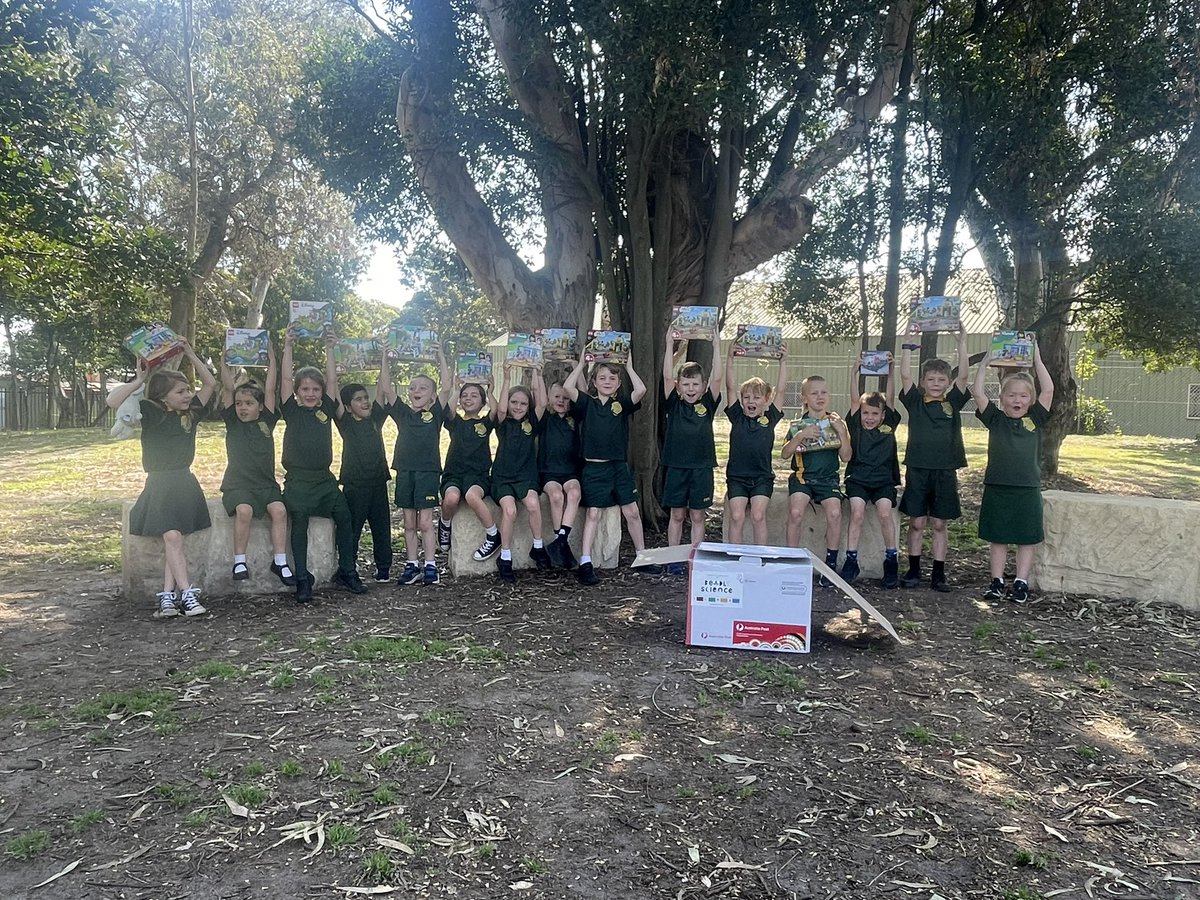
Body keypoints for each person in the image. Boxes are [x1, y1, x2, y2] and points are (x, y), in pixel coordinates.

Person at [107, 341, 217, 618]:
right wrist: (141, 379)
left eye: (187, 390)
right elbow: (113, 400)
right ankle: (188, 595)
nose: (187, 394)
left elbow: (211, 383)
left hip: (184, 483)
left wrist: (190, 353)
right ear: (163, 397)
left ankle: (168, 598)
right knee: (172, 536)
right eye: (180, 392)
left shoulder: (191, 414)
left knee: (174, 540)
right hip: (159, 483)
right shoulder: (152, 413)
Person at [280, 330, 365, 603]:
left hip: (325, 481)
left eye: (315, 389)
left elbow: (332, 380)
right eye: (305, 389)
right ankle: (302, 578)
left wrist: (330, 349)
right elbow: (283, 379)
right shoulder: (291, 410)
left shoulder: (326, 408)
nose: (311, 393)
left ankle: (348, 571)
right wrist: (288, 345)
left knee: (345, 516)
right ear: (296, 392)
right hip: (298, 480)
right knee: (299, 523)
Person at [970, 341, 1054, 604]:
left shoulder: (1036, 419)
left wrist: (1037, 359)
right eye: (1011, 395)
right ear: (1002, 398)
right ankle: (996, 582)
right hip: (998, 486)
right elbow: (978, 392)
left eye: (1023, 396)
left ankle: (1020, 582)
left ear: (1030, 399)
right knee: (999, 537)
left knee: (1026, 538)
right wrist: (986, 362)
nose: (1017, 400)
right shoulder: (995, 419)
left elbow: (1049, 389)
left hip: (1028, 487)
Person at [563, 350, 654, 585]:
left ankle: (642, 557)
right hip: (593, 470)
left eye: (612, 379)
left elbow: (641, 391)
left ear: (618, 383)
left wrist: (629, 366)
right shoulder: (586, 403)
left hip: (618, 468)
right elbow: (568, 388)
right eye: (602, 378)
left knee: (632, 512)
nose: (607, 382)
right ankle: (585, 563)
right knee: (593, 514)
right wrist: (582, 363)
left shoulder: (621, 403)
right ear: (594, 382)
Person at [897, 330, 970, 592]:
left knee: (939, 523)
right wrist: (907, 341)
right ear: (923, 381)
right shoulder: (915, 401)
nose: (936, 383)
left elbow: (964, 375)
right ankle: (913, 569)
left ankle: (939, 573)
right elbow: (904, 374)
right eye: (931, 379)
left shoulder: (953, 402)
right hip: (917, 469)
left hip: (945, 471)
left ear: (948, 382)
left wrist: (962, 342)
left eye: (941, 379)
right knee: (916, 522)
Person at [218, 342, 295, 588]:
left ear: (260, 407)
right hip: (238, 485)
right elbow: (228, 388)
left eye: (249, 403)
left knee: (279, 511)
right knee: (244, 511)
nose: (242, 407)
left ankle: (280, 561)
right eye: (240, 403)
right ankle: (239, 561)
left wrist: (272, 358)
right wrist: (224, 359)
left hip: (265, 484)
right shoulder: (232, 421)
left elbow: (271, 389)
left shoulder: (267, 421)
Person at [385, 345, 451, 586]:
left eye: (423, 387)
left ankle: (431, 565)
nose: (416, 391)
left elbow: (447, 386)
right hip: (405, 471)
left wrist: (441, 356)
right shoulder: (402, 413)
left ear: (432, 395)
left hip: (427, 472)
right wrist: (385, 358)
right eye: (412, 387)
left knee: (425, 523)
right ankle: (412, 565)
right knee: (409, 523)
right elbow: (386, 387)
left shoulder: (435, 413)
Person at [661, 330, 722, 574]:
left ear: (703, 386)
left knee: (698, 516)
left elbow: (718, 378)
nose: (690, 388)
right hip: (676, 466)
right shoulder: (673, 402)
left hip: (702, 467)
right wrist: (669, 344)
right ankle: (674, 558)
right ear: (678, 386)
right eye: (685, 384)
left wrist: (716, 344)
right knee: (676, 514)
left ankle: (695, 558)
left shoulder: (708, 402)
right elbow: (666, 376)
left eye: (695, 384)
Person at [781, 375, 852, 584]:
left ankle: (830, 564)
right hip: (803, 478)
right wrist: (800, 436)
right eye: (814, 393)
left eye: (824, 392)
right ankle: (791, 560)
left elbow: (846, 456)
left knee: (835, 512)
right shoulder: (798, 425)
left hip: (828, 479)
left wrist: (843, 433)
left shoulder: (836, 422)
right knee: (795, 511)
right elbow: (785, 454)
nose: (820, 397)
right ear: (804, 398)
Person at [843, 357, 902, 587]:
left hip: (883, 481)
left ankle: (891, 560)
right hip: (858, 479)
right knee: (857, 512)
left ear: (883, 415)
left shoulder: (889, 425)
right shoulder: (856, 424)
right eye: (866, 413)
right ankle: (851, 559)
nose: (870, 418)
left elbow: (891, 397)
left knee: (885, 513)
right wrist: (854, 373)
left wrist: (890, 372)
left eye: (875, 414)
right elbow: (854, 399)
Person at [490, 363, 552, 582]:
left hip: (525, 476)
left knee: (533, 504)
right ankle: (505, 558)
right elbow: (500, 408)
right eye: (514, 402)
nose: (518, 407)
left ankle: (537, 546)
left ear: (528, 406)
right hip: (502, 478)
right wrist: (506, 378)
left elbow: (543, 402)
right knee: (510, 510)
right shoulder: (502, 422)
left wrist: (538, 372)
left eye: (523, 404)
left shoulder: (532, 423)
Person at [335, 354, 393, 583]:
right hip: (355, 484)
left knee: (382, 527)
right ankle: (348, 568)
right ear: (348, 407)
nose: (365, 402)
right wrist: (336, 361)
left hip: (378, 482)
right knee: (353, 529)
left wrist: (384, 360)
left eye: (365, 397)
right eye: (359, 399)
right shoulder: (345, 423)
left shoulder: (375, 419)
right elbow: (332, 388)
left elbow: (382, 387)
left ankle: (384, 568)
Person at [723, 342, 787, 545]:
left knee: (758, 516)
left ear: (766, 399)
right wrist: (730, 359)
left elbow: (782, 391)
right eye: (747, 397)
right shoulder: (737, 417)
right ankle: (734, 556)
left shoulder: (771, 418)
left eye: (757, 397)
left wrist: (783, 362)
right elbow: (730, 387)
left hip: (761, 477)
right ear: (742, 400)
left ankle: (760, 557)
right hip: (737, 477)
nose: (751, 401)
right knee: (737, 516)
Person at [437, 375, 502, 565]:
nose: (468, 398)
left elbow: (496, 411)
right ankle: (445, 524)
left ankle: (493, 535)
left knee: (473, 497)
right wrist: (456, 390)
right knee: (451, 498)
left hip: (478, 475)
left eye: (474, 396)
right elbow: (447, 411)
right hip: (454, 474)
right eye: (465, 395)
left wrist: (490, 390)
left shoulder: (485, 423)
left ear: (482, 402)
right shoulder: (456, 421)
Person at [538, 379, 582, 569]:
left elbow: (584, 392)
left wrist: (577, 365)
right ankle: (560, 541)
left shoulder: (576, 416)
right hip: (549, 472)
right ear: (549, 397)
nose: (561, 401)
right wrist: (538, 373)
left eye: (565, 398)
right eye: (556, 397)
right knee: (556, 496)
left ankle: (560, 541)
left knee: (573, 493)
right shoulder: (545, 417)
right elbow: (537, 395)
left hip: (571, 471)